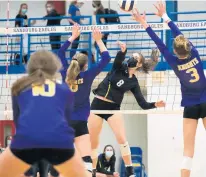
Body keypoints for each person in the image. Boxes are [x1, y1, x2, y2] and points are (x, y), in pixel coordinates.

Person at [132, 2, 206, 177]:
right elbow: (177, 32)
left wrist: (145, 24)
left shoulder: (174, 62)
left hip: (190, 106)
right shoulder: (194, 53)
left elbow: (159, 43)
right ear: (188, 46)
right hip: (205, 101)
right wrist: (165, 16)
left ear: (175, 51)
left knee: (188, 151)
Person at [0, 49, 88, 177]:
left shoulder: (19, 87)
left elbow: (17, 121)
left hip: (27, 140)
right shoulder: (64, 90)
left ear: (30, 67)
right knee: (82, 173)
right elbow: (67, 122)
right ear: (54, 68)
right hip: (58, 142)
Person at [89, 41, 165, 177]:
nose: (132, 59)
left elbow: (142, 104)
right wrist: (123, 51)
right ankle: (93, 170)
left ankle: (130, 171)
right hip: (97, 105)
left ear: (139, 64)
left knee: (122, 139)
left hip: (113, 108)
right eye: (132, 56)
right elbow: (118, 59)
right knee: (93, 140)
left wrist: (155, 104)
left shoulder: (133, 82)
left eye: (135, 58)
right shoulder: (119, 67)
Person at [58, 24, 111, 177]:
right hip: (80, 124)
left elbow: (60, 52)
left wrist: (73, 37)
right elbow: (106, 58)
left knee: (61, 166)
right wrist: (99, 40)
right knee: (87, 162)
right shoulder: (88, 76)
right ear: (85, 66)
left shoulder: (65, 74)